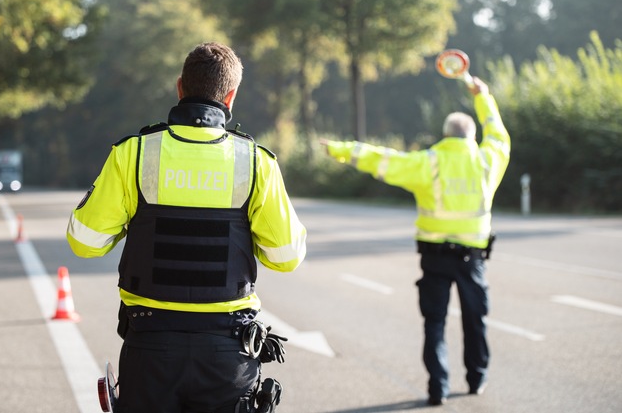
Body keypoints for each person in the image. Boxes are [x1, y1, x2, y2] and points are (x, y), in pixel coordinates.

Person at [67, 42, 307, 413]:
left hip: (150, 346)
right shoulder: (256, 162)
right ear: (231, 96)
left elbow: (85, 242)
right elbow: (286, 257)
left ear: (180, 88)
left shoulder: (133, 153)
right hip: (229, 352)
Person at [320, 76, 510, 406]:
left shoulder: (428, 162)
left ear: (446, 135)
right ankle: (476, 378)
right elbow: (498, 133)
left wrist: (341, 150)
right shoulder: (487, 160)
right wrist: (484, 97)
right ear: (471, 136)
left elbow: (382, 159)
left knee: (434, 322)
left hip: (435, 258)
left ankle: (438, 387)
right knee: (474, 320)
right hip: (472, 259)